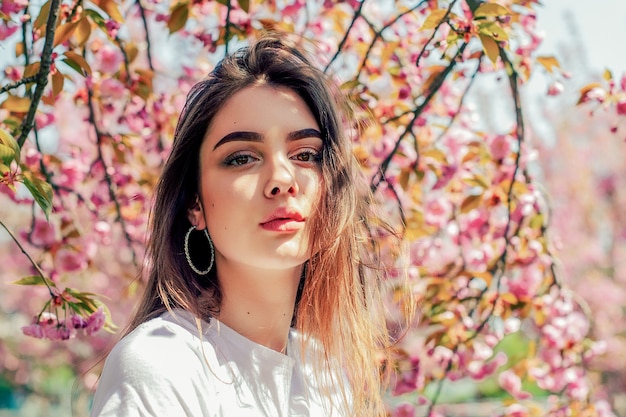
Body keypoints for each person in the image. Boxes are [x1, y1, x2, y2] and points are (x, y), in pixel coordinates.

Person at [90, 33, 398, 417]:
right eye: (241, 158)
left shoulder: (326, 373)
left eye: (305, 154)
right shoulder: (162, 361)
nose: (282, 179)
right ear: (194, 204)